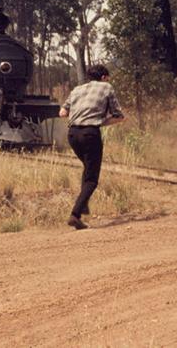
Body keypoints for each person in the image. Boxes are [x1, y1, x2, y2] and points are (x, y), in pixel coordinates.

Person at [59, 64, 126, 230]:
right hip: (90, 134)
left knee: (88, 167)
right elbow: (118, 115)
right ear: (104, 77)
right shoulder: (106, 87)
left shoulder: (77, 89)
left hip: (73, 134)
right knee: (92, 178)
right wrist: (100, 122)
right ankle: (75, 214)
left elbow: (62, 113)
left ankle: (83, 204)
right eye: (107, 78)